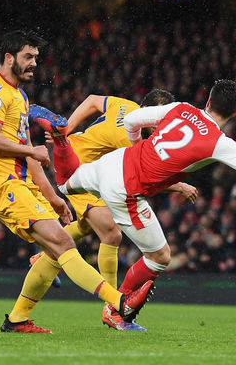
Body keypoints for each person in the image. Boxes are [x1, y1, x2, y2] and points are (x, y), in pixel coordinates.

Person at [48, 79, 236, 329]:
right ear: (234, 113)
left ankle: (58, 144)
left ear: (208, 100)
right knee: (159, 257)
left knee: (65, 183)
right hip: (126, 191)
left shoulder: (181, 108)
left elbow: (134, 119)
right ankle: (115, 306)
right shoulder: (219, 142)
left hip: (112, 162)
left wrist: (136, 146)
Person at [0, 30, 153, 334]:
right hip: (4, 187)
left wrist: (53, 196)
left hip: (23, 185)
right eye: (28, 57)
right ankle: (119, 303)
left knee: (56, 252)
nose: (33, 63)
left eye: (36, 58)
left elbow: (32, 158)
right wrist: (31, 149)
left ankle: (17, 319)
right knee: (64, 243)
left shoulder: (18, 95)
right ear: (8, 58)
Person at [27, 88, 198, 331]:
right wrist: (180, 186)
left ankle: (43, 255)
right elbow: (146, 176)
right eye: (160, 120)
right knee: (111, 233)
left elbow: (93, 100)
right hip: (80, 169)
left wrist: (67, 130)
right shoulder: (131, 137)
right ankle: (114, 309)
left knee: (87, 225)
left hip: (83, 161)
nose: (162, 127)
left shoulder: (126, 107)